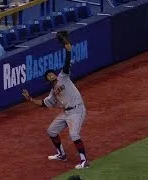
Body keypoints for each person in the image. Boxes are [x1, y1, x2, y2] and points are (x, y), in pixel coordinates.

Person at [22, 31, 90, 169]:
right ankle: (61, 154)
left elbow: (67, 60)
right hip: (66, 113)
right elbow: (43, 103)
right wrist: (29, 99)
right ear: (47, 80)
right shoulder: (52, 93)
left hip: (77, 110)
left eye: (52, 73)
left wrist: (67, 45)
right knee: (51, 131)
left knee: (74, 134)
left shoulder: (63, 77)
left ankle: (84, 161)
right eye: (49, 75)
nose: (51, 75)